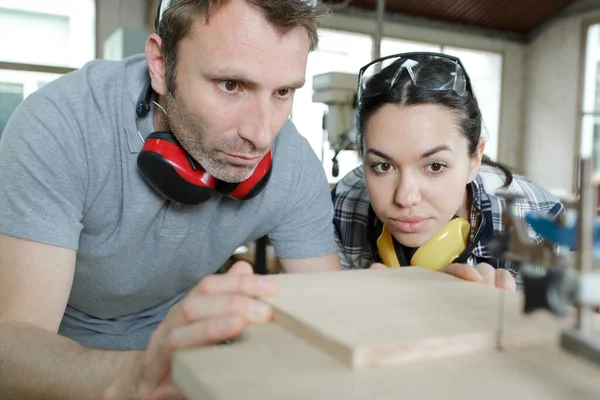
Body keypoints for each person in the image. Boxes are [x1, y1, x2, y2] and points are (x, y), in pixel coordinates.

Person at [0, 0, 343, 399]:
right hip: (62, 357)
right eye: (231, 85)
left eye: (283, 91)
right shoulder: (61, 126)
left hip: (185, 344)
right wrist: (136, 376)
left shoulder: (292, 162)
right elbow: (11, 349)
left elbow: (332, 318)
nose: (262, 135)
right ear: (161, 65)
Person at [332, 52, 563, 291]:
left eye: (435, 166)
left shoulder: (538, 224)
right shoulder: (343, 205)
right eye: (383, 166)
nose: (405, 198)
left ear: (475, 159)